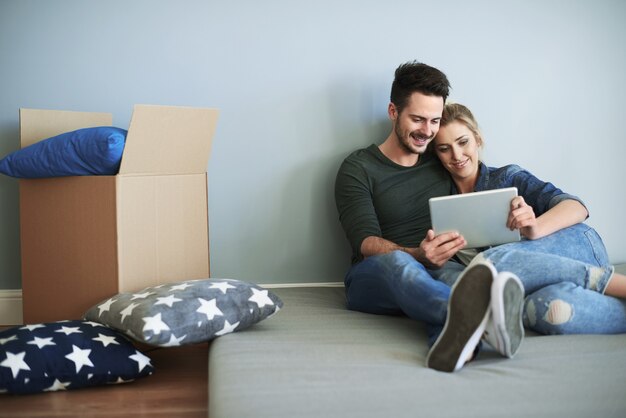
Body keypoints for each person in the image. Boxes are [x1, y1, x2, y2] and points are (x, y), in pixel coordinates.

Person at [334, 61, 524, 373]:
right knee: (402, 265)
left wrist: (518, 213)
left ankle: (455, 343)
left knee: (465, 283)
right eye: (418, 119)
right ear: (393, 112)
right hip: (373, 276)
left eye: (434, 120)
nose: (428, 131)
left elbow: (478, 182)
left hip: (440, 268)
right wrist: (417, 254)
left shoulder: (441, 160)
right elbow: (364, 242)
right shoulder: (358, 168)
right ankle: (482, 319)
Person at [431, 102, 626, 334]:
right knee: (550, 310)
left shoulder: (507, 177)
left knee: (486, 267)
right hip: (534, 283)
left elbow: (577, 207)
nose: (456, 155)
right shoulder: (440, 204)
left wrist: (535, 227)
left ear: (477, 139)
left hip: (577, 247)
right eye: (444, 148)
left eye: (463, 142)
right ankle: (507, 313)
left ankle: (601, 280)